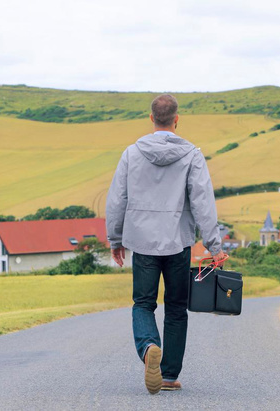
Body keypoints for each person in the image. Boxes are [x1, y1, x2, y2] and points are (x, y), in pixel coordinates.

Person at [106, 94, 225, 394]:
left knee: (143, 304)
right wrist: (214, 246)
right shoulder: (191, 155)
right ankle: (169, 375)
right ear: (176, 119)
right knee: (175, 308)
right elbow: (203, 203)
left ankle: (148, 348)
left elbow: (117, 199)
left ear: (151, 118)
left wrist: (115, 239)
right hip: (178, 244)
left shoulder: (131, 154)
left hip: (143, 244)